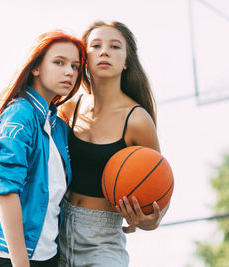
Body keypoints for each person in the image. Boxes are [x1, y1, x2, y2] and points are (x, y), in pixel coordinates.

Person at [57, 21, 169, 267]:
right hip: (55, 232)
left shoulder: (137, 120)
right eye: (95, 45)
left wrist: (147, 220)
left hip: (102, 241)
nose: (104, 51)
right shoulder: (67, 109)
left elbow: (160, 195)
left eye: (115, 46)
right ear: (84, 57)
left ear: (127, 61)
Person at [0, 30, 86, 267]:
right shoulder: (20, 113)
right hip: (8, 254)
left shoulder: (59, 127)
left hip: (47, 255)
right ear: (35, 67)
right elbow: (5, 190)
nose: (69, 71)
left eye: (75, 66)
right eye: (59, 62)